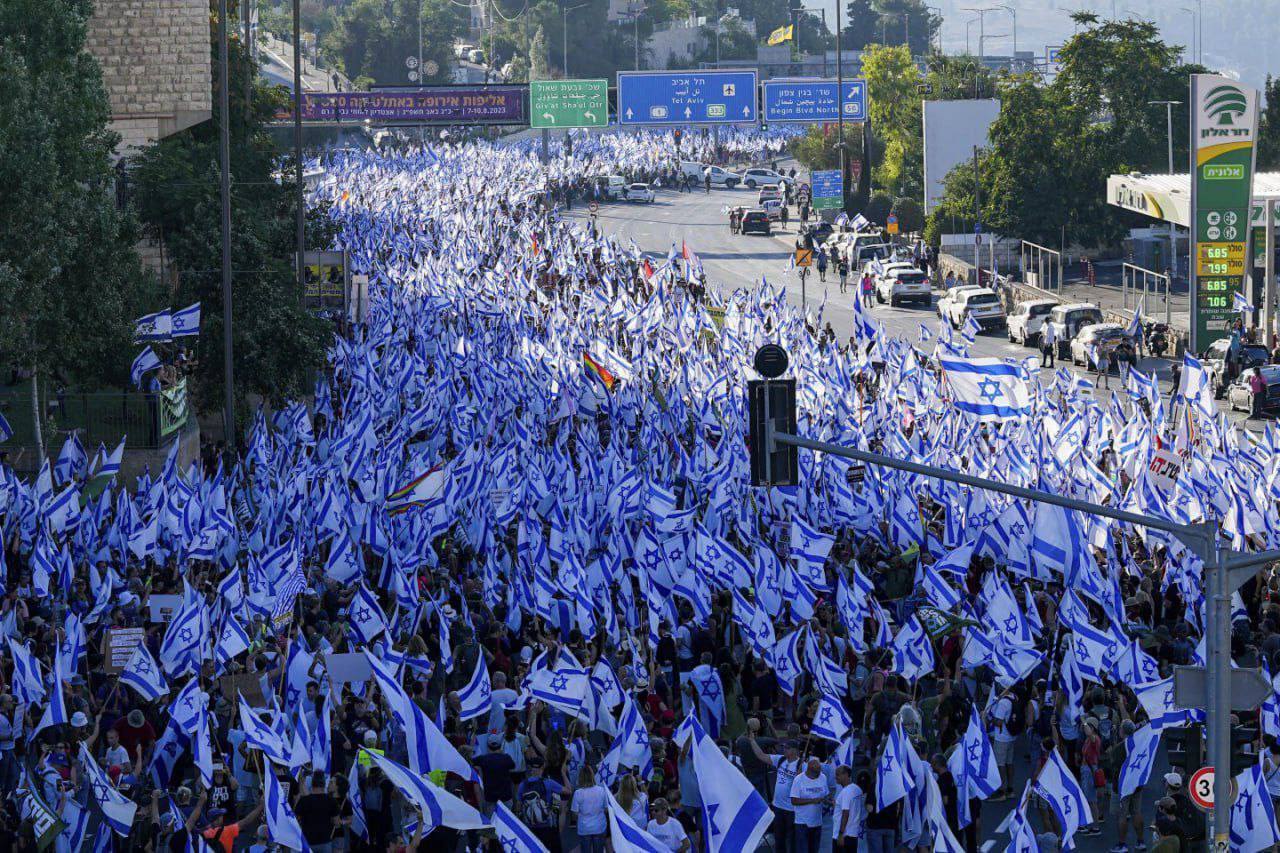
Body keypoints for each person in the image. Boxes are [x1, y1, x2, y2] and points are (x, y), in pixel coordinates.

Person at [789, 756, 830, 853]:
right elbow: (794, 800)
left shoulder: (823, 777)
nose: (819, 773)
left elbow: (825, 795)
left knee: (814, 850)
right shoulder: (798, 780)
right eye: (817, 771)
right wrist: (812, 800)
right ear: (809, 769)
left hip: (817, 822)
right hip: (802, 823)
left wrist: (829, 801)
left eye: (820, 770)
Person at [569, 765, 608, 853]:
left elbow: (574, 813)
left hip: (584, 828)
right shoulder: (601, 790)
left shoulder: (578, 793)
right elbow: (606, 809)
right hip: (599, 826)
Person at [833, 765, 865, 853]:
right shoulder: (857, 789)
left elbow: (845, 814)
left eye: (838, 774)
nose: (835, 777)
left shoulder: (846, 792)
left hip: (844, 836)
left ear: (846, 775)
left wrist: (840, 834)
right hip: (854, 834)